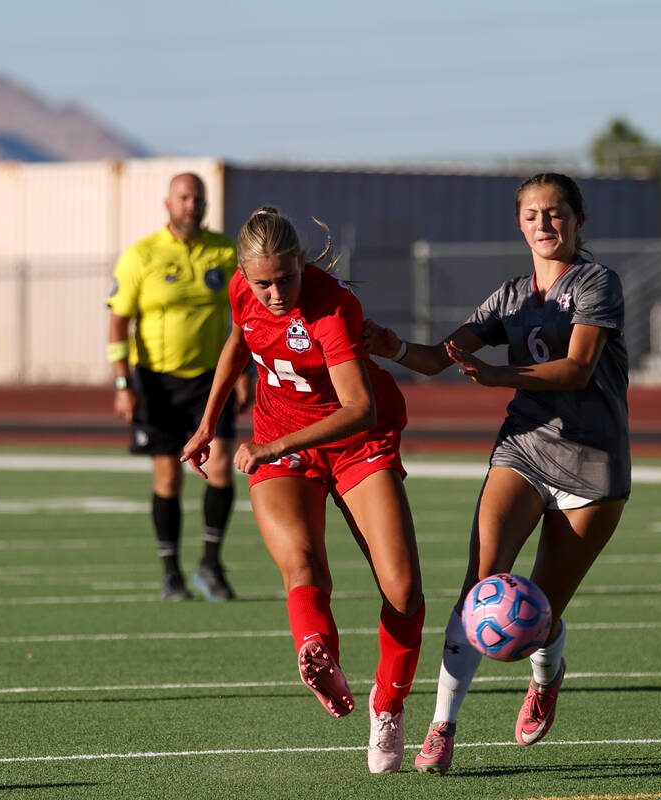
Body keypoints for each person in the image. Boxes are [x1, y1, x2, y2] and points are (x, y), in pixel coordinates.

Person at [364, 172, 629, 774]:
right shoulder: (509, 297)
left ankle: (547, 671)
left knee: (535, 618)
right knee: (480, 591)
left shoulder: (597, 282)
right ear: (519, 225)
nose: (544, 223)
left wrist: (496, 375)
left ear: (578, 220)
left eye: (556, 212)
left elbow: (578, 369)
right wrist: (390, 345)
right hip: (523, 449)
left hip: (594, 465)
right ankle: (441, 729)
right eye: (532, 214)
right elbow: (440, 358)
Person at [181, 206, 426, 774]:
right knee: (301, 561)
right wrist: (207, 423)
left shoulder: (333, 308)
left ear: (302, 262)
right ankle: (318, 652)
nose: (273, 293)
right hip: (280, 436)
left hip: (357, 440)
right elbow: (240, 343)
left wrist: (266, 448)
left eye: (285, 278)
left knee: (405, 588)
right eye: (262, 281)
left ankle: (387, 703)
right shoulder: (243, 288)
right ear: (245, 272)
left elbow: (359, 407)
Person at [107, 172, 252, 602]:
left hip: (212, 379)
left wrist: (244, 371)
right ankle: (171, 572)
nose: (192, 205)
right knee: (169, 474)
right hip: (156, 381)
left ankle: (210, 562)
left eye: (199, 198)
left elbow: (247, 315)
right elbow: (119, 319)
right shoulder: (141, 255)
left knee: (222, 465)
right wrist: (121, 383)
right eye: (184, 197)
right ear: (167, 203)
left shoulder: (226, 252)